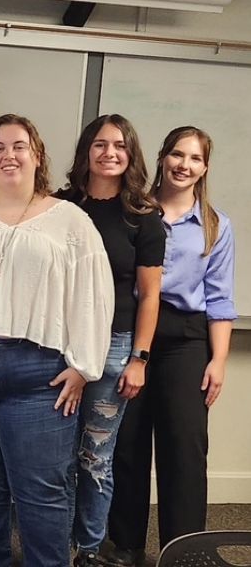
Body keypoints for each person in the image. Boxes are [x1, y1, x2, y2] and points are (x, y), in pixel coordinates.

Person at [0, 114, 114, 567]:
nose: (8, 155)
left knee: (40, 490)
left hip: (39, 373)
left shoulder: (70, 220)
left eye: (19, 146)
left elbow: (95, 294)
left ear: (37, 156)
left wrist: (85, 366)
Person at [106, 126, 236, 567]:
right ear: (162, 158)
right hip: (131, 330)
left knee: (184, 446)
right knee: (127, 443)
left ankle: (184, 550)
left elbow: (219, 300)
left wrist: (218, 360)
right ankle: (124, 545)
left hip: (185, 339)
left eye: (195, 159)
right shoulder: (134, 212)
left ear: (204, 168)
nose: (184, 165)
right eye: (177, 155)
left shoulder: (216, 226)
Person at [56, 115, 165, 567]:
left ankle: (87, 550)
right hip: (57, 346)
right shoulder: (59, 207)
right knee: (54, 459)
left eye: (119, 146)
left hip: (115, 347)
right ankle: (53, 547)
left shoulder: (143, 217)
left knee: (94, 457)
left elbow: (150, 296)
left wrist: (139, 358)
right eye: (100, 144)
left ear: (130, 154)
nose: (109, 153)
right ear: (86, 151)